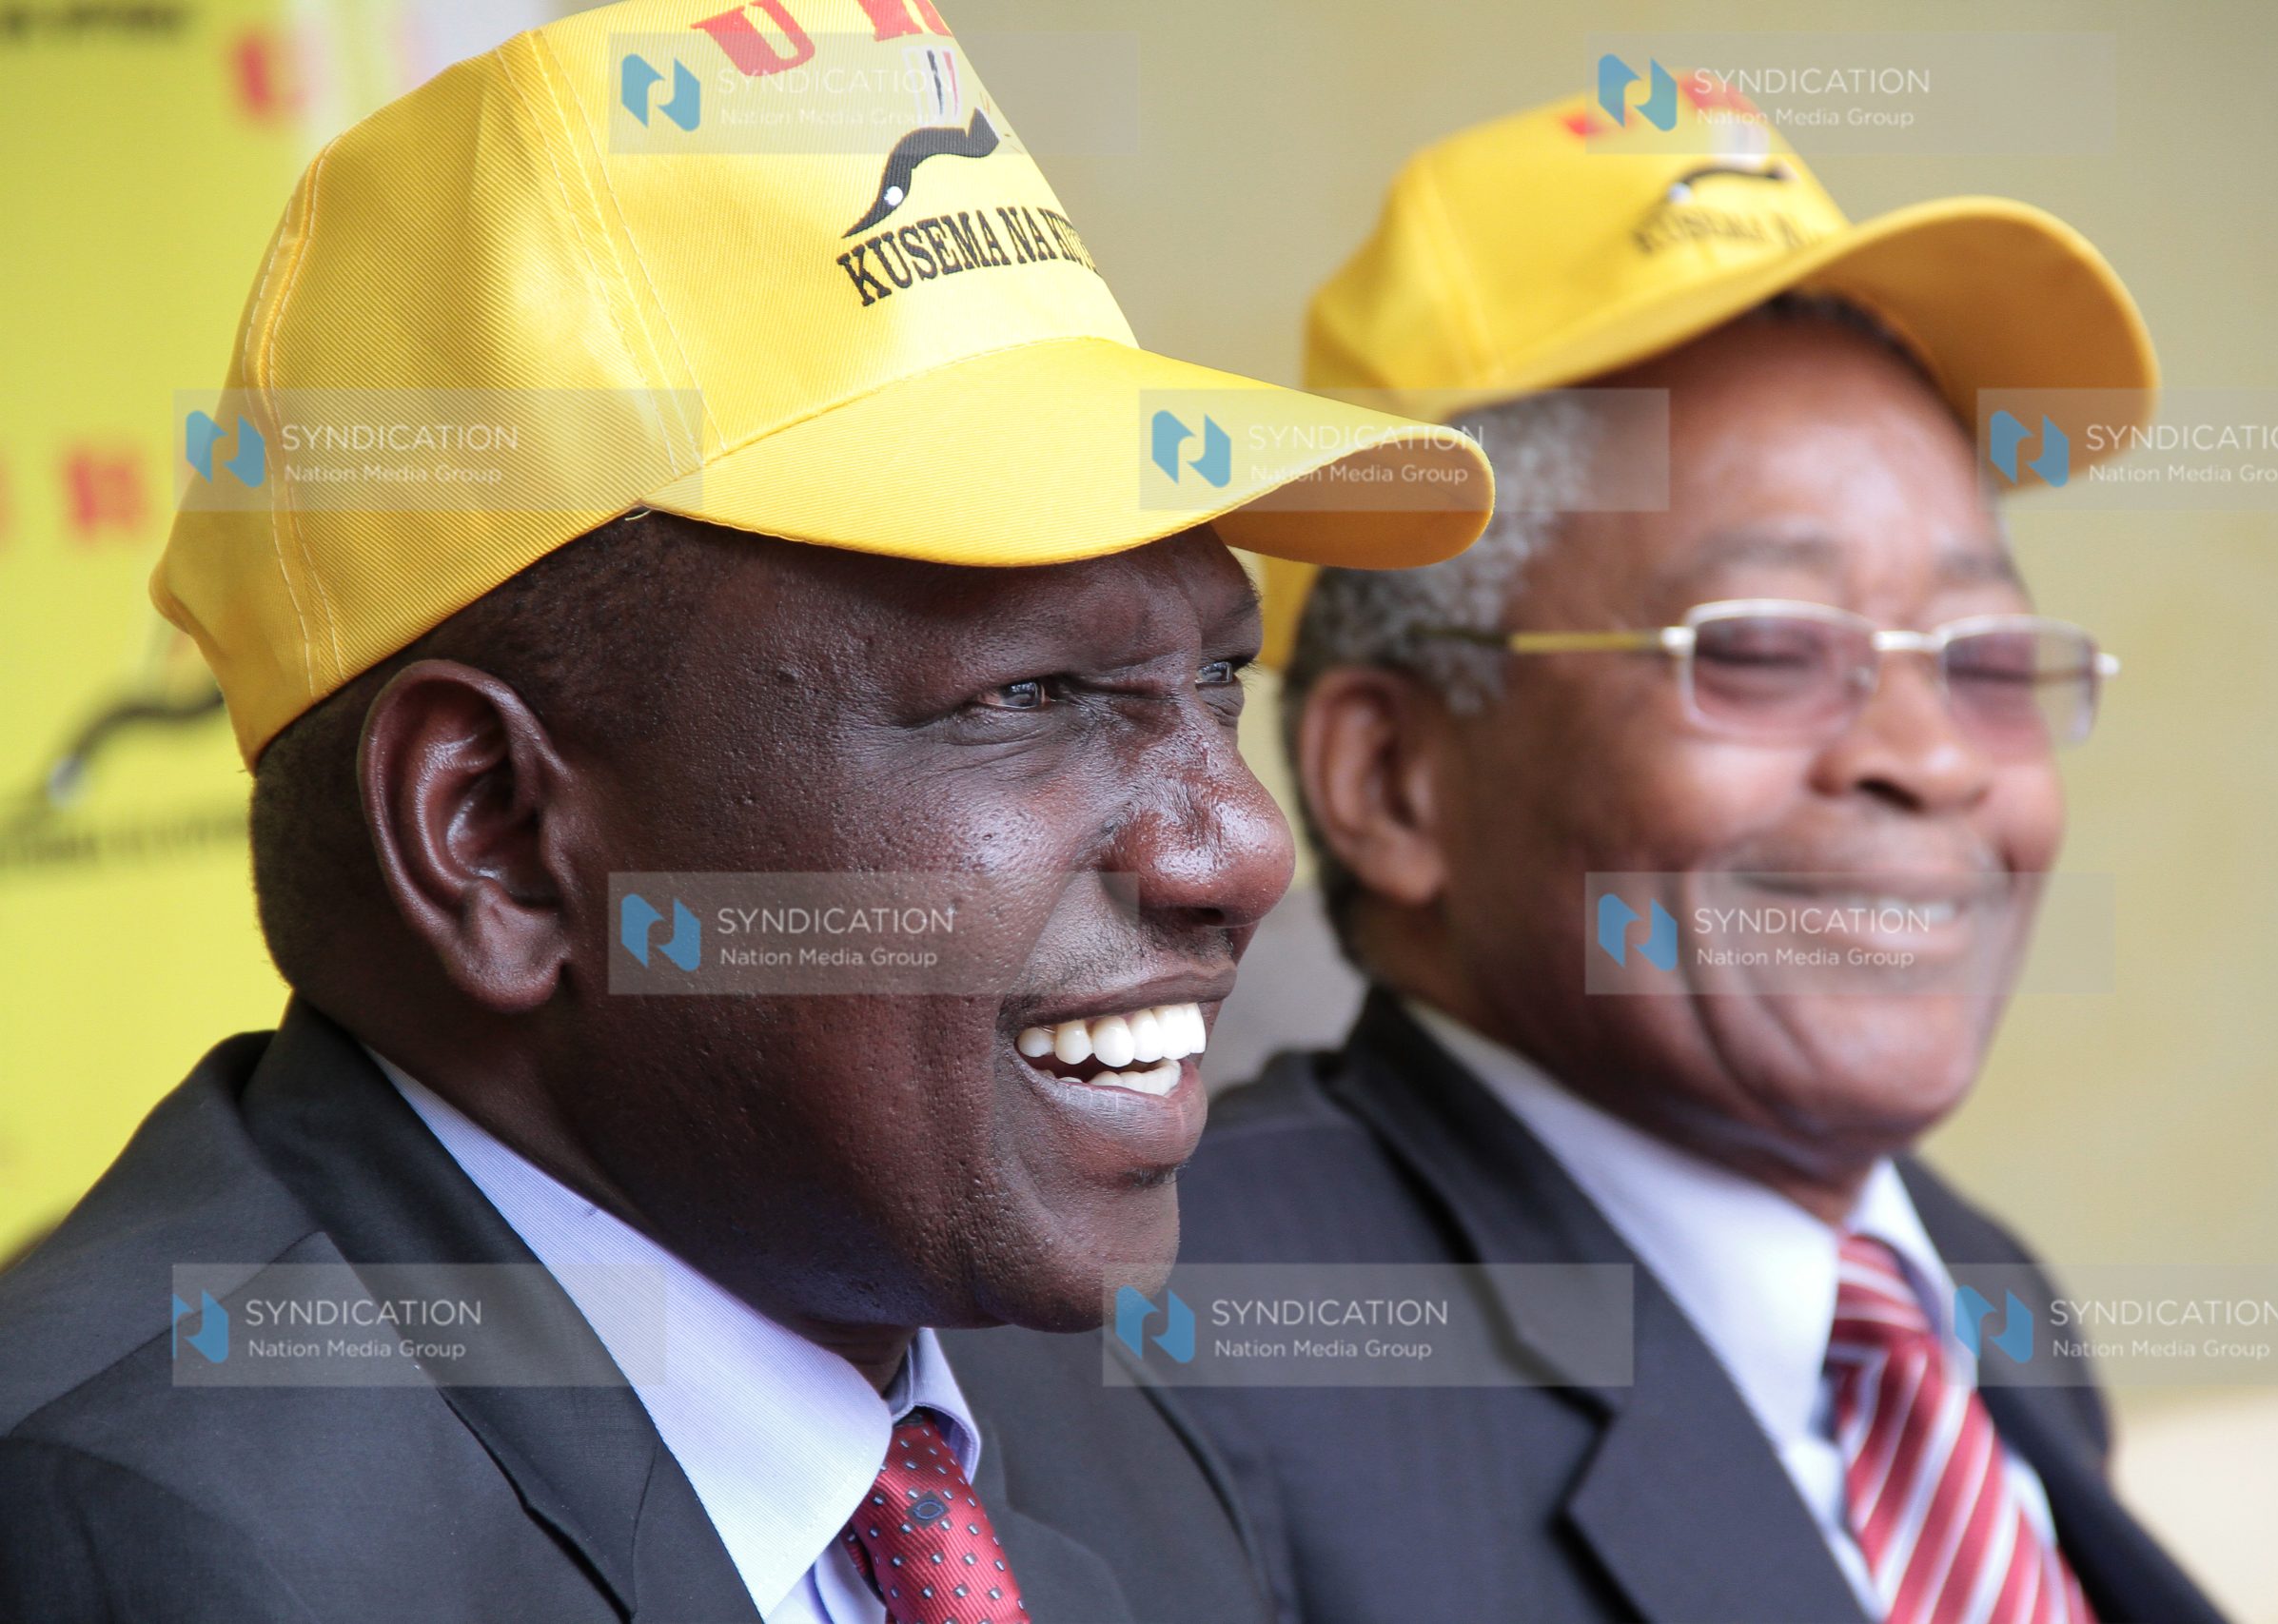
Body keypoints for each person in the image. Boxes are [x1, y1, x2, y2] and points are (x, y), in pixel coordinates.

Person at [0, 4, 1490, 1619]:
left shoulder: (1051, 1398)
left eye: (1213, 680)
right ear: (493, 834)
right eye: (1029, 697)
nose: (1243, 848)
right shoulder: (137, 1540)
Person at [1170, 94, 2230, 1623]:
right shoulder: (1187, 1347)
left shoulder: (1964, 1286)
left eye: (1984, 653)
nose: (1929, 757)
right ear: (1390, 780)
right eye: (1762, 648)